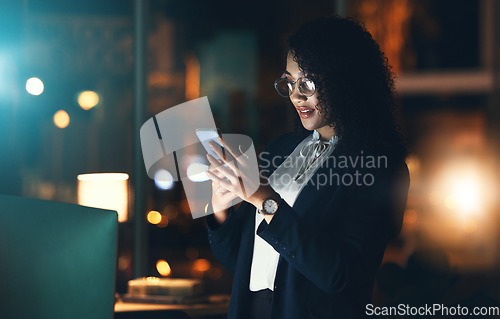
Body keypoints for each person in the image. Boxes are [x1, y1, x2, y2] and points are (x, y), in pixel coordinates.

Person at [203, 15, 410, 319]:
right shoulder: (280, 150)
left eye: (308, 82)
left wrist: (264, 199)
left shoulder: (381, 168)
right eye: (289, 82)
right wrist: (221, 210)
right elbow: (243, 263)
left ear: (344, 80)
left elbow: (338, 275)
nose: (296, 96)